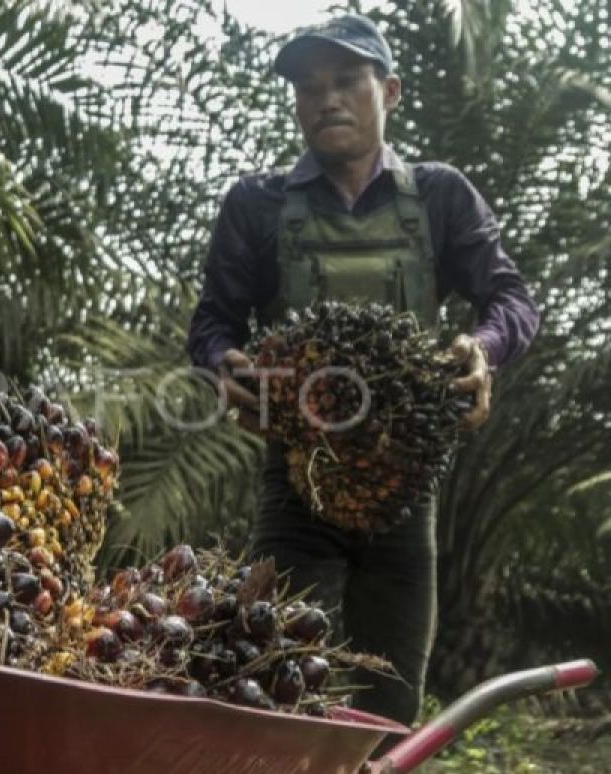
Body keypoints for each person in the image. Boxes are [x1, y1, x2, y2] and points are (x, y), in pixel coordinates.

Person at [186, 14, 540, 728]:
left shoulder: (439, 197)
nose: (327, 100)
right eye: (308, 87)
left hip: (405, 490)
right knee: (266, 680)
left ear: (392, 91)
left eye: (347, 80)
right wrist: (226, 364)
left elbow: (511, 298)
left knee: (387, 703)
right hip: (296, 485)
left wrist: (484, 348)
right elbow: (213, 322)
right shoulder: (255, 205)